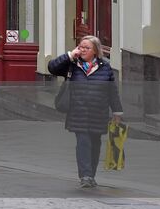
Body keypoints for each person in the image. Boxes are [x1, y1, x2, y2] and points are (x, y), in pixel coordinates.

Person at [48, 35, 123, 188]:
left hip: (98, 113)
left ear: (95, 51)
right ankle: (85, 176)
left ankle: (91, 175)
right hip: (78, 112)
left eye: (86, 48)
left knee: (95, 145)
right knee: (83, 142)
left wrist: (117, 112)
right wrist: (69, 55)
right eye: (81, 47)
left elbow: (112, 91)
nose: (82, 50)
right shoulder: (72, 64)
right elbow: (52, 67)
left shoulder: (105, 67)